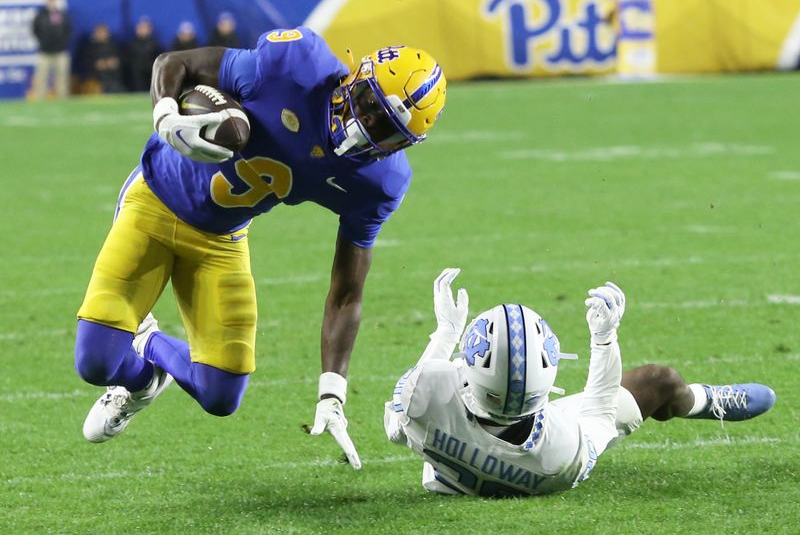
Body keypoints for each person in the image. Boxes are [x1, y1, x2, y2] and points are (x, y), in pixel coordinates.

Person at [74, 27, 447, 471]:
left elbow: (347, 289)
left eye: (386, 131)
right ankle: (137, 384)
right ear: (355, 77)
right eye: (369, 106)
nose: (363, 129)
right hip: (153, 202)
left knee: (220, 395)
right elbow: (173, 63)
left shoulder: (376, 182)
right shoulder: (293, 66)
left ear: (404, 145)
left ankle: (150, 343)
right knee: (95, 362)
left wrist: (333, 390)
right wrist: (166, 116)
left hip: (221, 241)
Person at [384, 269, 776, 496]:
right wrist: (604, 338)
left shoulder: (419, 399)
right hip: (536, 443)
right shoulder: (561, 447)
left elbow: (401, 420)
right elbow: (601, 412)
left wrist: (446, 333)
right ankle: (703, 401)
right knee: (660, 381)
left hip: (453, 472)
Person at [30, 0, 71, 100]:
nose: (51, 2)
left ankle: (63, 99)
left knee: (62, 78)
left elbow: (68, 30)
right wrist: (42, 42)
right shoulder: (40, 15)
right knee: (41, 78)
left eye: (53, 0)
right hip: (44, 52)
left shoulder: (62, 15)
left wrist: (62, 43)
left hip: (60, 51)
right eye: (49, 0)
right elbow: (35, 30)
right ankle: (40, 99)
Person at [81, 23, 125, 93]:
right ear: (95, 33)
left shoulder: (113, 45)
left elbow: (118, 60)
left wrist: (112, 63)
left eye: (103, 32)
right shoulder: (89, 47)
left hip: (113, 76)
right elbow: (86, 63)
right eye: (99, 32)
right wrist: (97, 64)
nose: (102, 34)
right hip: (96, 76)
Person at [126, 16, 162, 92]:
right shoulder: (132, 44)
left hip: (151, 73)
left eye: (145, 28)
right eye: (141, 28)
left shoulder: (156, 44)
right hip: (137, 76)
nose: (143, 30)